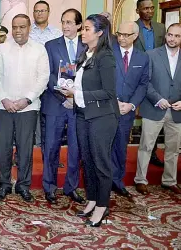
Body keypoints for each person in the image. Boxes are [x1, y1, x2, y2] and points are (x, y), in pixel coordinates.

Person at [59, 14, 119, 227]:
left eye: (86, 29)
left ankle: (103, 206)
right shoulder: (86, 54)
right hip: (84, 115)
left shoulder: (106, 57)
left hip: (103, 117)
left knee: (101, 163)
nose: (82, 32)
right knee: (89, 161)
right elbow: (84, 84)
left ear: (99, 33)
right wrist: (72, 89)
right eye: (82, 28)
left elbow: (108, 92)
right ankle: (92, 200)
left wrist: (78, 93)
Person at [0, 14, 49, 202]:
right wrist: (4, 99)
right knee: (3, 148)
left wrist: (27, 99)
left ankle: (23, 186)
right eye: (15, 27)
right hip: (4, 107)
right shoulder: (1, 49)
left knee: (25, 148)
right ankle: (4, 184)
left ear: (29, 28)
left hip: (28, 107)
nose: (18, 31)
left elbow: (43, 78)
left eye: (22, 27)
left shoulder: (39, 50)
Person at [41, 8, 85, 204]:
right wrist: (63, 97)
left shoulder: (88, 45)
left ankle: (71, 187)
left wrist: (76, 98)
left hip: (79, 105)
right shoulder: (50, 45)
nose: (65, 26)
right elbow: (48, 74)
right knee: (51, 147)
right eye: (63, 22)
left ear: (78, 25)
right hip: (55, 103)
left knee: (76, 149)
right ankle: (49, 187)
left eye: (69, 22)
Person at [134, 23, 181, 195]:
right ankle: (140, 179)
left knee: (173, 149)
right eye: (170, 35)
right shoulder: (151, 55)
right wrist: (158, 99)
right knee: (146, 146)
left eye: (177, 36)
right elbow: (145, 82)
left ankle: (169, 181)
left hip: (177, 112)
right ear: (165, 35)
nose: (172, 39)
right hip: (154, 108)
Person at [111, 22, 149, 198]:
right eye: (119, 34)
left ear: (135, 36)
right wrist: (114, 101)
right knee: (104, 147)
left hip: (127, 111)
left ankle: (117, 182)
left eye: (126, 35)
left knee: (120, 147)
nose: (121, 38)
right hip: (108, 109)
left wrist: (131, 105)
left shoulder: (143, 58)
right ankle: (102, 183)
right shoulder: (108, 53)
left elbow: (142, 85)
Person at [134, 0, 167, 168]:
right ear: (138, 10)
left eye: (152, 8)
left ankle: (153, 152)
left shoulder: (161, 28)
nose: (149, 11)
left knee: (154, 115)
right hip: (135, 74)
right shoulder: (133, 28)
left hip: (155, 77)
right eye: (146, 8)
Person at [30, 0, 62, 149]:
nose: (39, 13)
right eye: (37, 11)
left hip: (51, 82)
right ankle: (23, 155)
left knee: (50, 121)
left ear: (49, 12)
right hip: (31, 81)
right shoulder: (27, 32)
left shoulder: (57, 33)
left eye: (43, 10)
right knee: (29, 121)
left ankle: (50, 155)